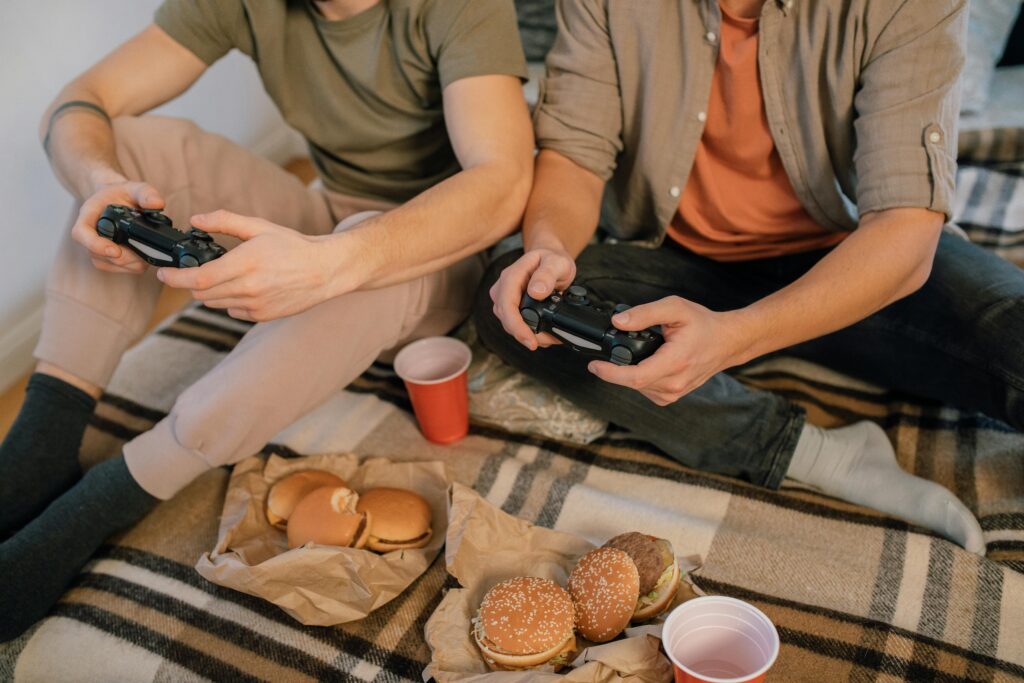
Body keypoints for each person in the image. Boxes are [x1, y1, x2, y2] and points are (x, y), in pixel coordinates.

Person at [0, 0, 534, 640]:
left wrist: (337, 261)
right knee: (133, 145)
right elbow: (79, 102)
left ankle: (103, 502)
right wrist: (98, 181)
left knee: (362, 235)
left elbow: (503, 182)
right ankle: (43, 441)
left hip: (442, 257)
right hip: (328, 215)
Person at [478, 0, 1017, 556]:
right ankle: (818, 455)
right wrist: (548, 250)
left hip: (854, 264)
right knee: (512, 297)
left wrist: (736, 336)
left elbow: (903, 232)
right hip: (679, 267)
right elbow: (575, 156)